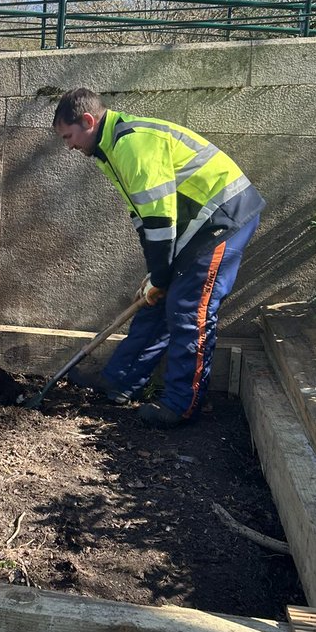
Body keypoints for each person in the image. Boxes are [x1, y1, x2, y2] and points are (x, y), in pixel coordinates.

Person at [52, 88, 264, 428]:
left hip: (223, 218)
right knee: (156, 302)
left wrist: (161, 274)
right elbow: (143, 217)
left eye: (69, 136)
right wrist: (156, 276)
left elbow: (159, 222)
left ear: (88, 121)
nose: (69, 146)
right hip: (195, 225)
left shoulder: (132, 145)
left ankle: (181, 404)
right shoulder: (111, 148)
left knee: (187, 309)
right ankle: (121, 381)